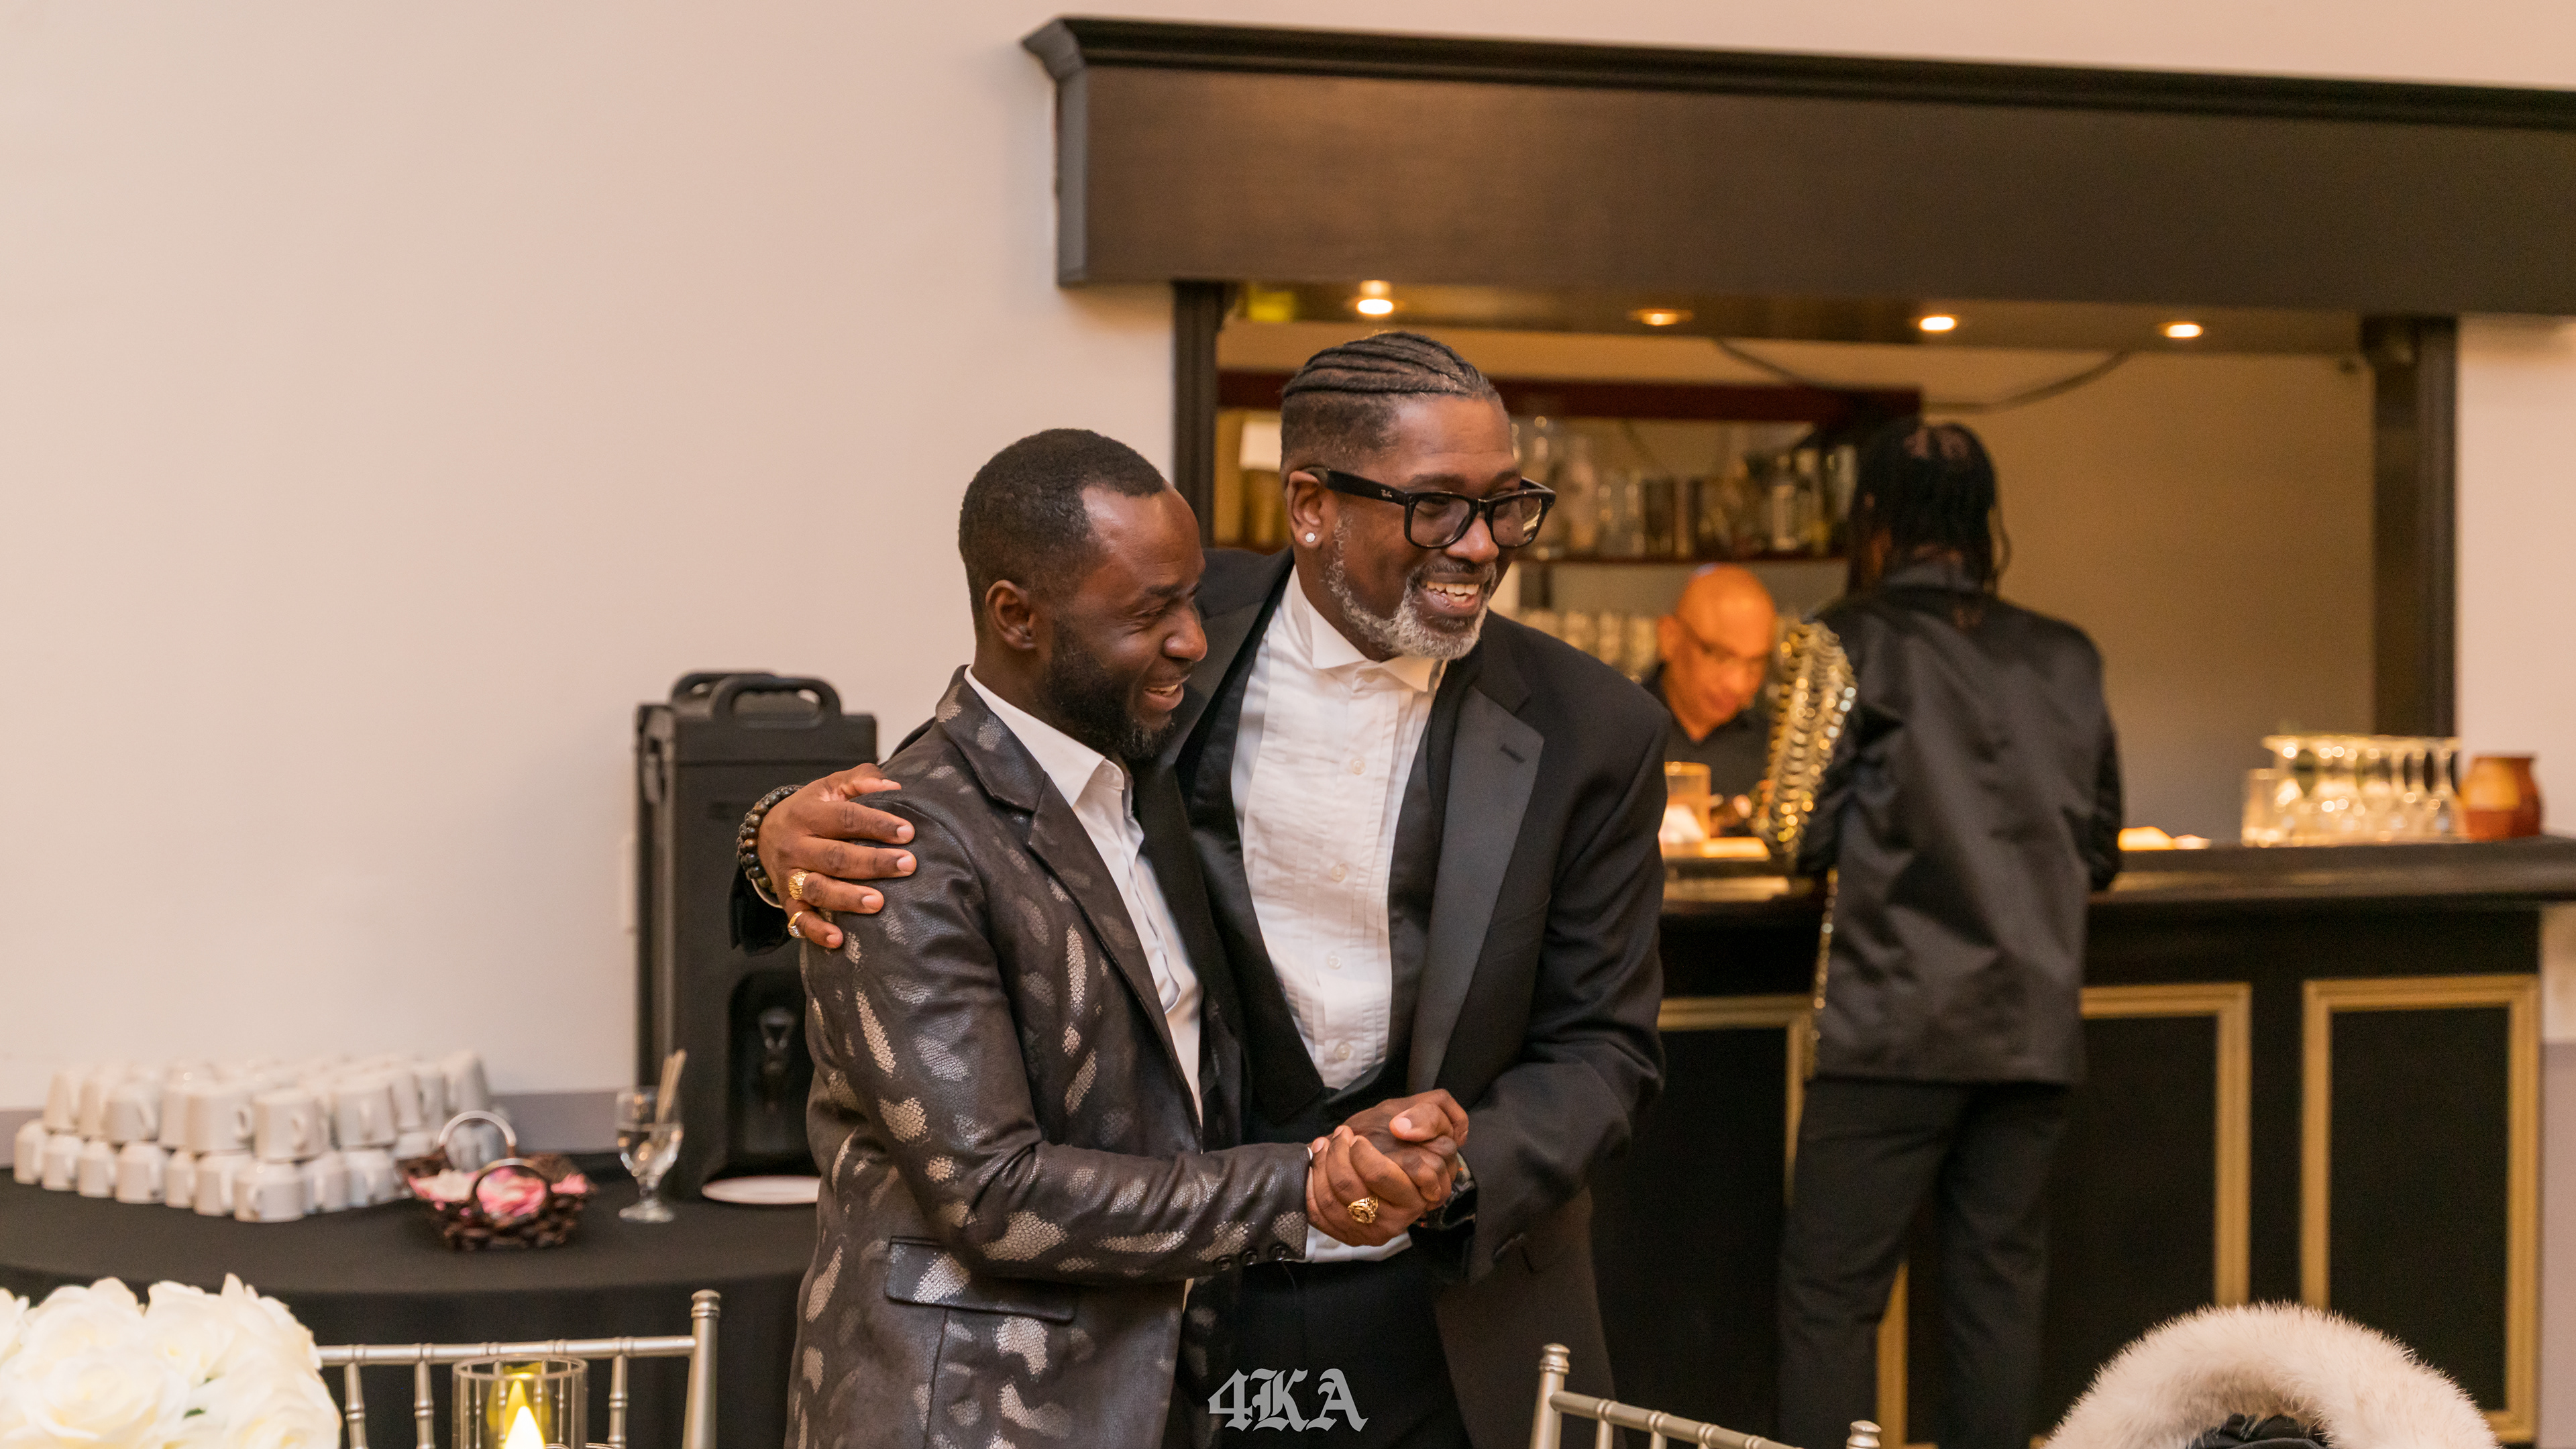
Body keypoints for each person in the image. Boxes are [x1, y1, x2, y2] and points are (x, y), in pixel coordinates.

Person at [747, 333, 1668, 1449]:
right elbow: (983, 784)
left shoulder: (1595, 727)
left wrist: (1452, 1173)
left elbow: (1605, 1048)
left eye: (1507, 505)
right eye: (1436, 507)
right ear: (1312, 506)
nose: (1481, 545)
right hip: (1179, 1308)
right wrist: (771, 833)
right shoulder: (1162, 630)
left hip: (1452, 1304)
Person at [787, 429, 1471, 1449]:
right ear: (1016, 616)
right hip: (968, 1411)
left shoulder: (1143, 780)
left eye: (1191, 600)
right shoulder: (898, 842)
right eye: (1150, 614)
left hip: (1156, 1385)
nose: (1193, 640)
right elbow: (994, 1197)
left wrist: (1361, 1146)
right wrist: (1302, 1183)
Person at [1763, 421, 2123, 1449]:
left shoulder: (1841, 639)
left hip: (1894, 1025)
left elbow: (1791, 830)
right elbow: (2101, 846)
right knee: (1995, 1299)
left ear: (1873, 515)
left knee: (1832, 1299)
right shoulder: (2068, 655)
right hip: (2033, 1034)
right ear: (1984, 520)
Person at [1646, 563, 1780, 800]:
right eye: (1720, 656)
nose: (1737, 684)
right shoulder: (1618, 732)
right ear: (1669, 637)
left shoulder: (1776, 750)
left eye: (1756, 663)